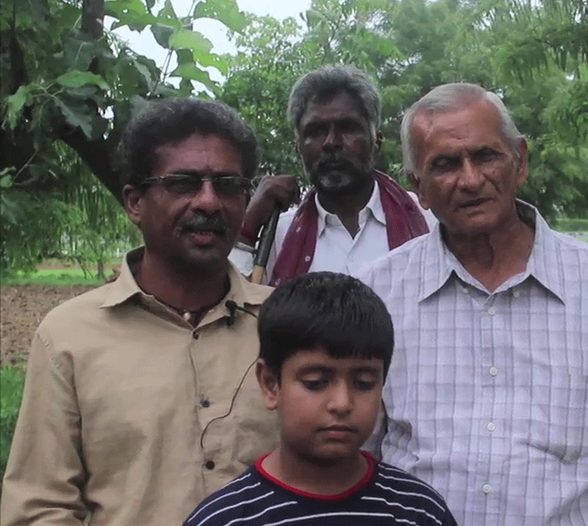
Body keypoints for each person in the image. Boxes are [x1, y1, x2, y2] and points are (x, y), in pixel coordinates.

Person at [358, 83, 588, 525]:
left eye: (486, 156)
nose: (471, 179)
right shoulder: (378, 292)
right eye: (444, 164)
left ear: (521, 161)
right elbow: (354, 458)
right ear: (417, 187)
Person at [1, 98, 279, 525]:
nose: (209, 202)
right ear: (134, 202)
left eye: (227, 184)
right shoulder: (71, 336)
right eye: (184, 183)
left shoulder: (283, 325)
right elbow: (41, 507)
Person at [184, 272, 457, 526]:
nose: (342, 403)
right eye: (316, 383)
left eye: (363, 384)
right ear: (270, 384)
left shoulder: (419, 512)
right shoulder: (226, 519)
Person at [230, 65, 433, 284]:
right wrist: (247, 226)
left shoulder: (429, 219)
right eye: (316, 131)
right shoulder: (278, 235)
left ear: (377, 142)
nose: (331, 143)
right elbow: (234, 305)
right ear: (298, 149)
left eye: (347, 128)